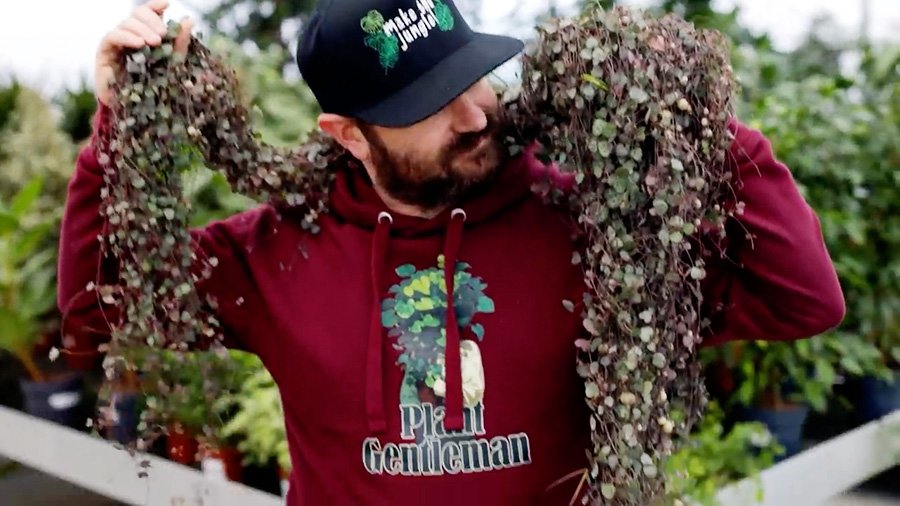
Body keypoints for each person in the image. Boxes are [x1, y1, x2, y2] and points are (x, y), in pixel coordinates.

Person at [57, 0, 845, 503]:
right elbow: (99, 313)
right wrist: (117, 130)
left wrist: (694, 119)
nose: (474, 115)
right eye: (429, 105)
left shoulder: (585, 225)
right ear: (348, 134)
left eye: (476, 78)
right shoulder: (273, 252)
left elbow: (801, 298)